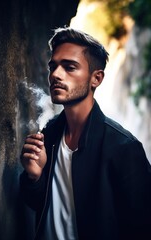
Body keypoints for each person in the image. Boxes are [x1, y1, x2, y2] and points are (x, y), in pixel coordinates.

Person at [20, 27, 151, 240]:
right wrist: (34, 177)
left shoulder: (124, 148)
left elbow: (142, 227)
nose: (55, 75)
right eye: (53, 67)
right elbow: (40, 205)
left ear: (96, 79)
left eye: (69, 67)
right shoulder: (50, 134)